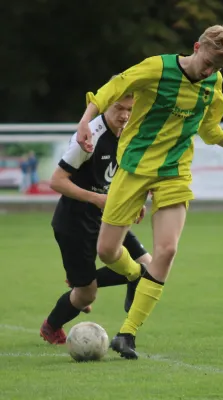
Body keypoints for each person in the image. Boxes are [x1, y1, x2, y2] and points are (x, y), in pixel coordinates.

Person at [76, 25, 223, 359]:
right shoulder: (156, 68)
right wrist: (85, 121)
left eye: (218, 68)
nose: (210, 71)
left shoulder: (214, 83)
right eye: (208, 62)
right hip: (134, 167)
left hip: (174, 172)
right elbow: (112, 89)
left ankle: (128, 334)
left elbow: (210, 130)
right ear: (197, 47)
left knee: (166, 250)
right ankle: (136, 274)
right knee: (107, 252)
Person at [40, 92, 152, 345]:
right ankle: (52, 325)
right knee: (86, 296)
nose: (124, 115)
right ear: (104, 106)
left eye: (129, 109)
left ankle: (82, 279)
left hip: (109, 216)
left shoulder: (129, 132)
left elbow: (124, 175)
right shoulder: (90, 135)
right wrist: (96, 198)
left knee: (149, 267)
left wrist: (136, 202)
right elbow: (56, 181)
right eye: (118, 108)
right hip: (74, 223)